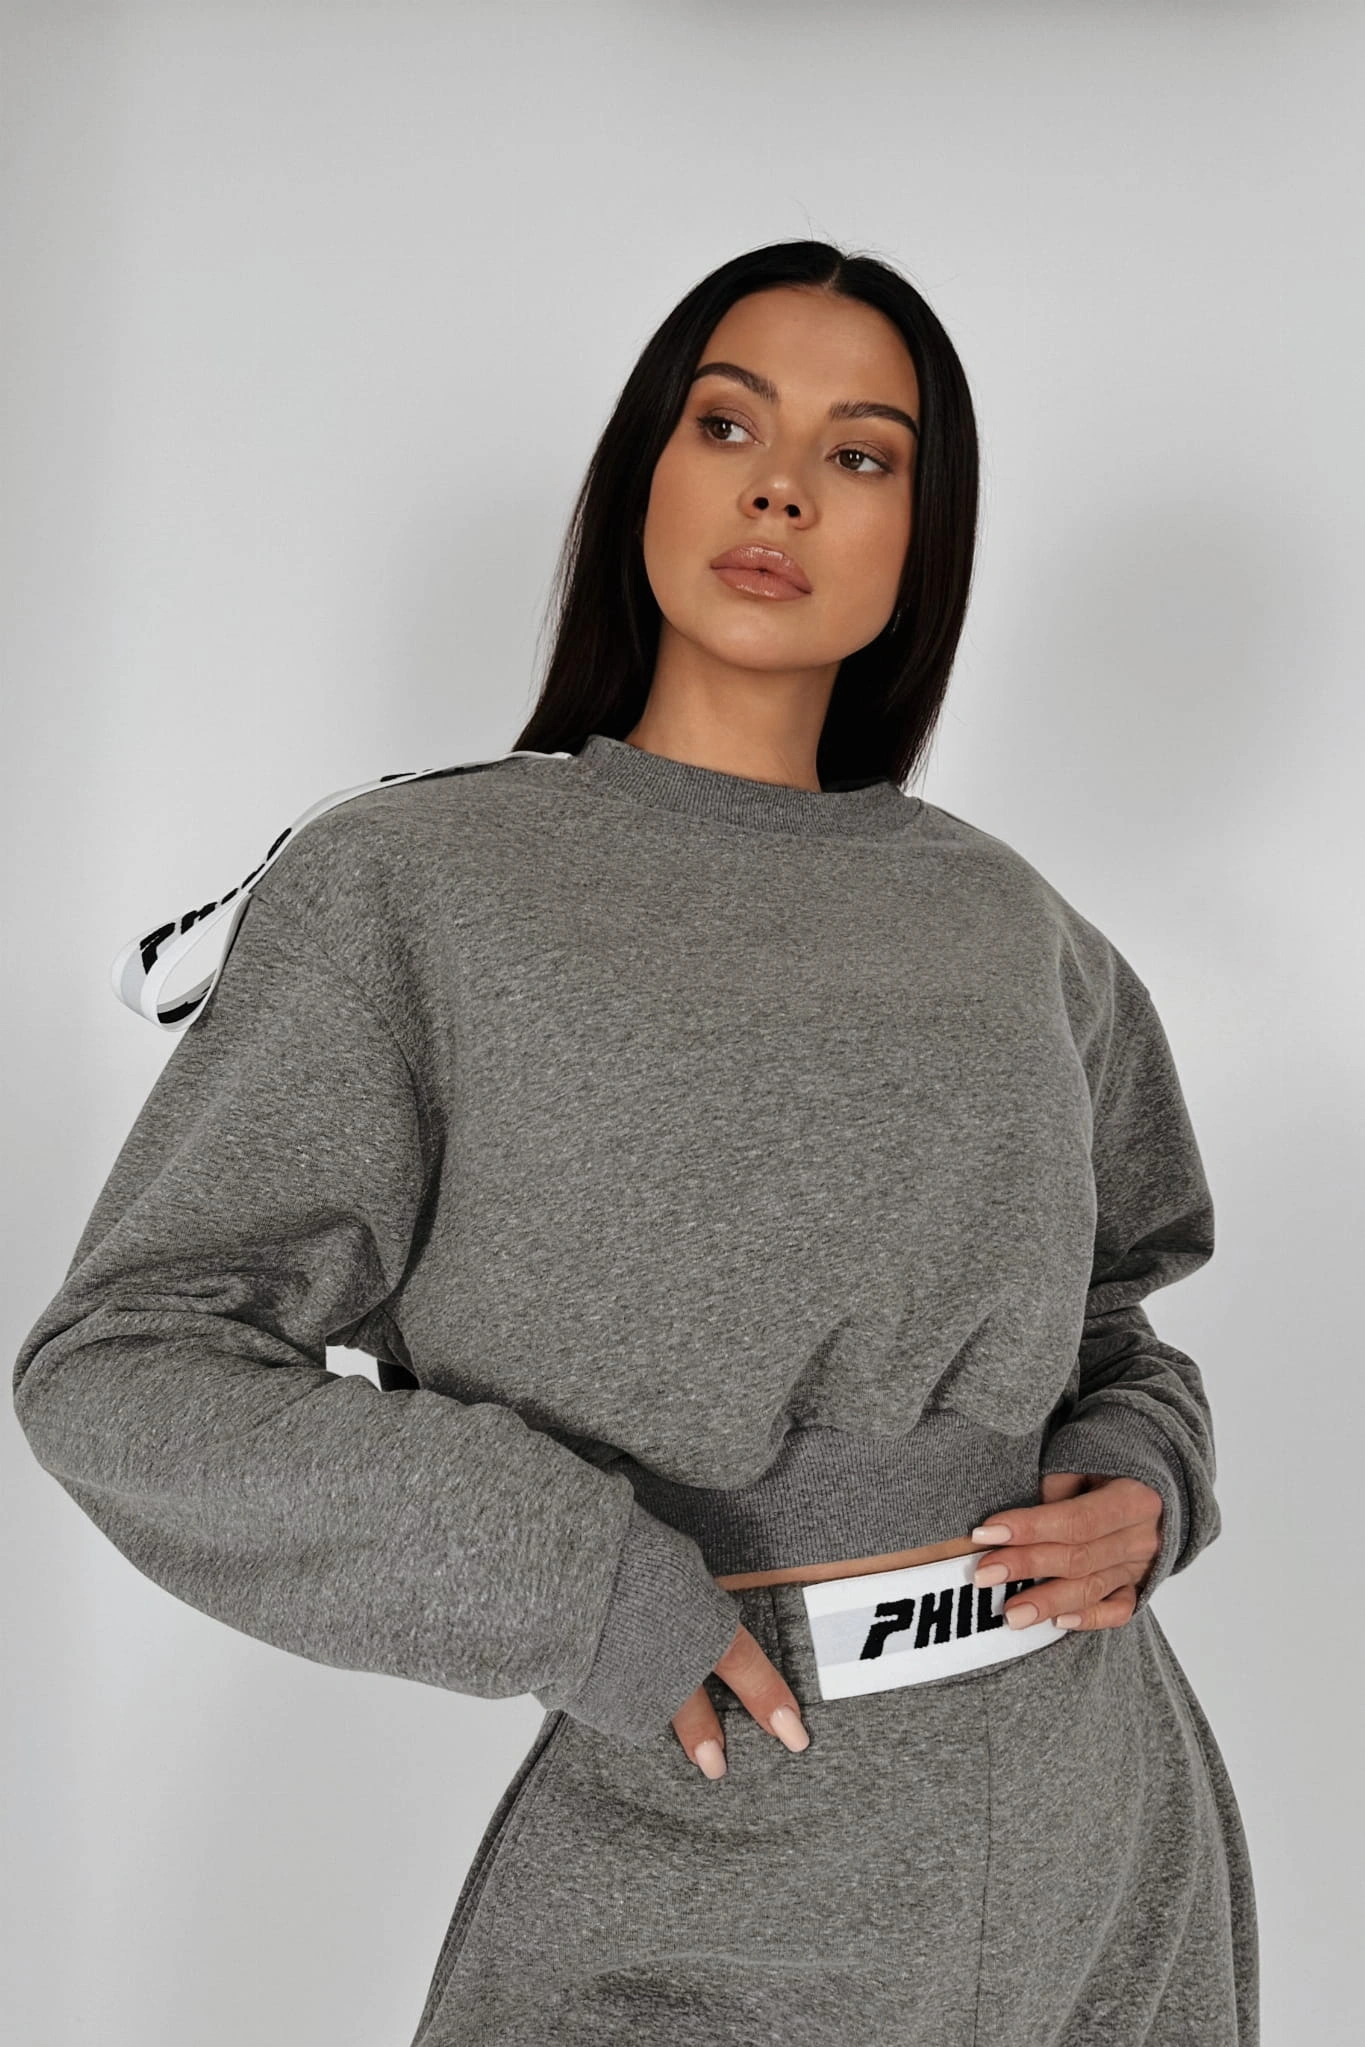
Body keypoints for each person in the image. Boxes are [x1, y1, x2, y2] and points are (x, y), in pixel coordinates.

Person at [12, 239, 1259, 2045]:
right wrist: (569, 1576)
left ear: (924, 538)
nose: (781, 485)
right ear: (643, 473)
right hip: (701, 1837)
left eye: (861, 454)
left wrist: (1148, 1469)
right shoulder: (416, 887)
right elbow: (124, 1367)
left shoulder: (1015, 925)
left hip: (1101, 1836)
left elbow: (1109, 1320)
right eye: (728, 423)